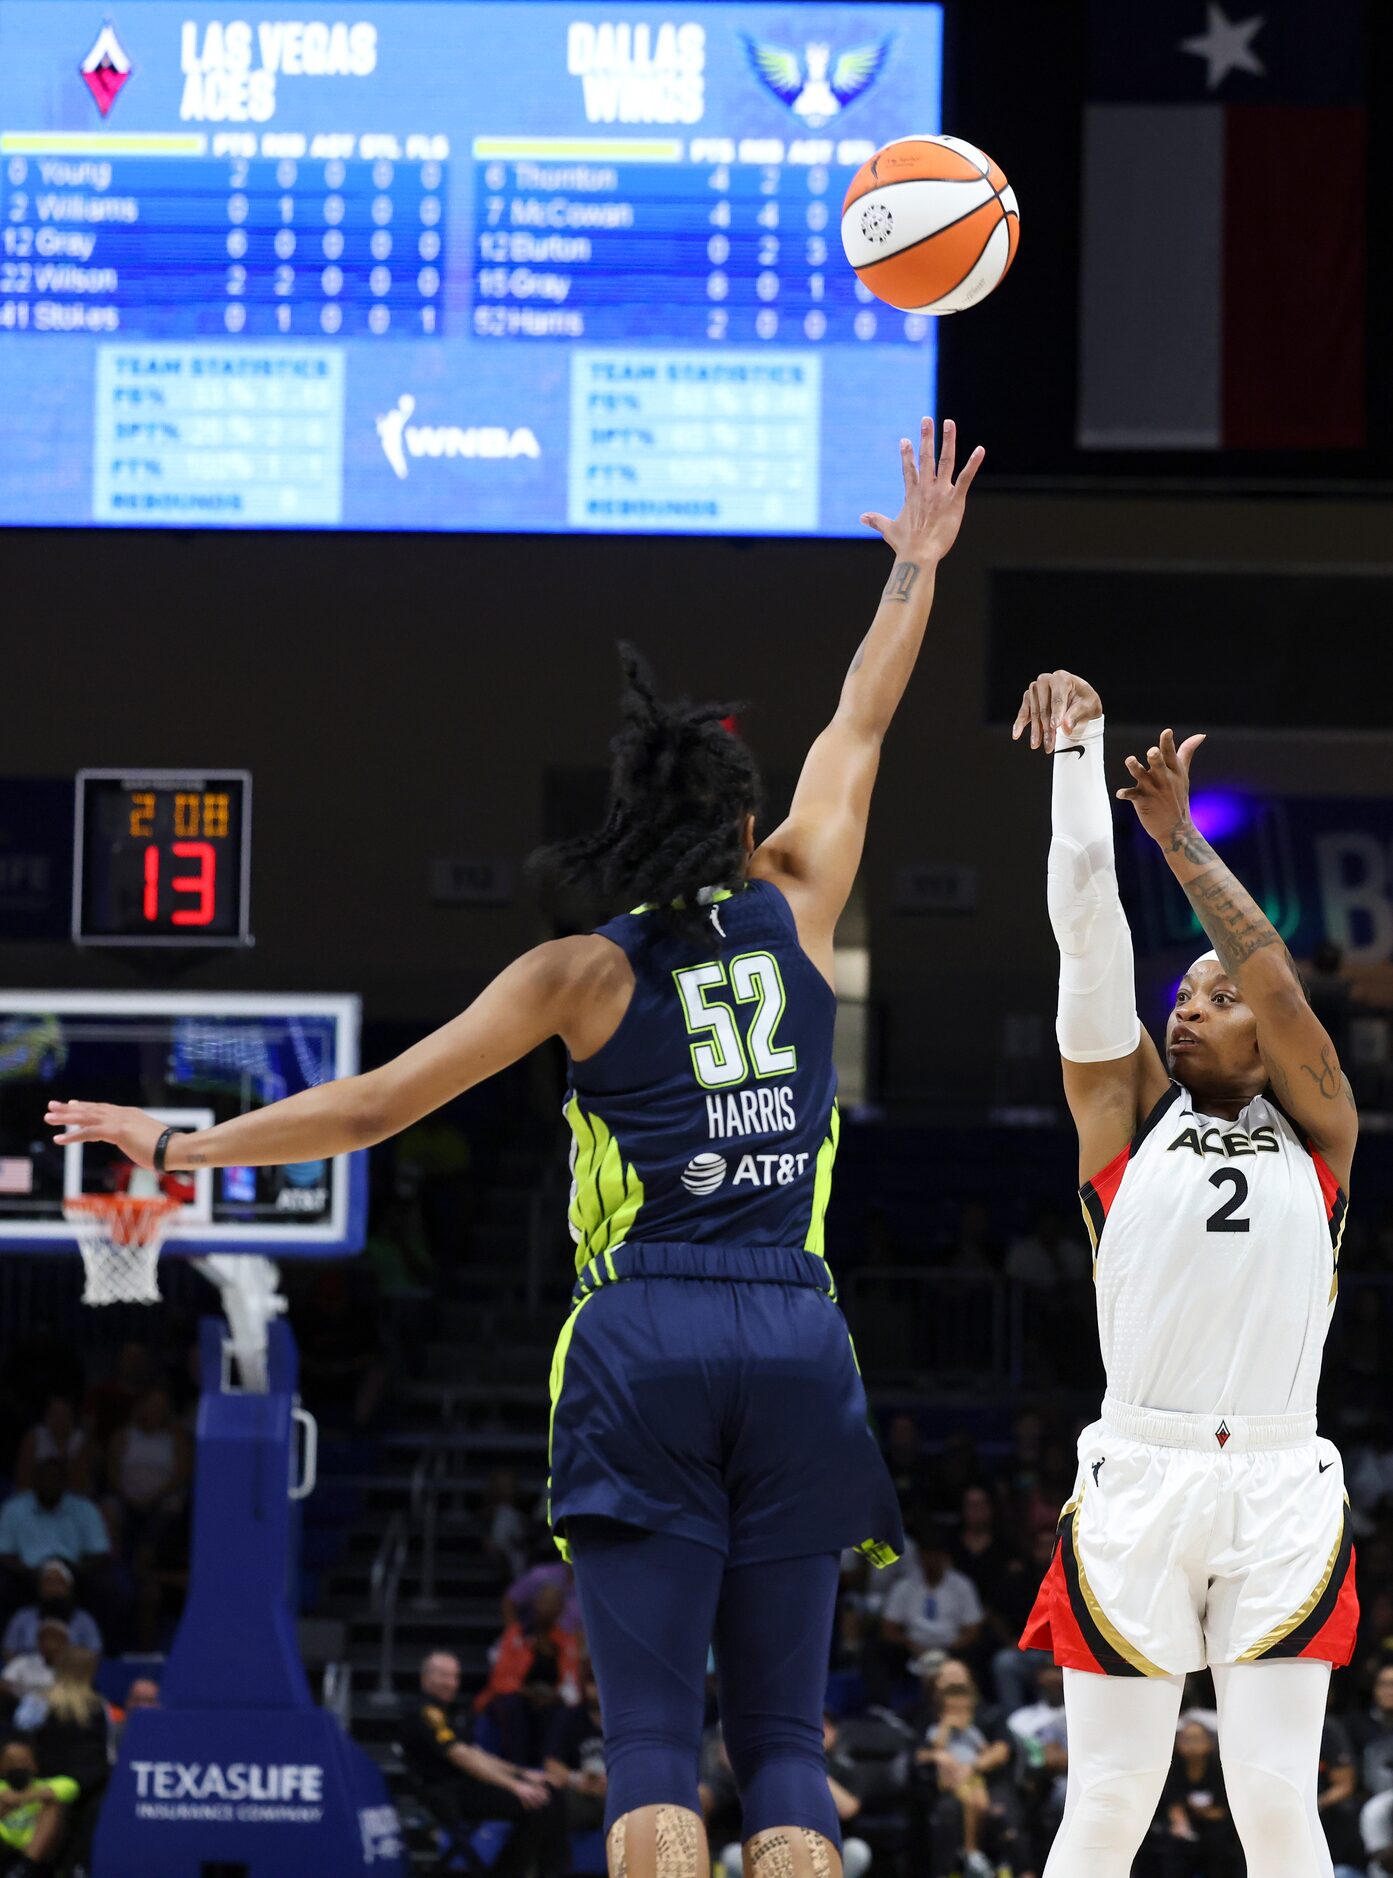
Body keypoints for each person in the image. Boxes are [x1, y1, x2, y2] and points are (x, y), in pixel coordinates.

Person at [45, 416, 986, 1878]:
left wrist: (182, 1139)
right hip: (797, 1324)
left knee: (656, 1742)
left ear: (629, 838)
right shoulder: (803, 897)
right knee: (789, 1742)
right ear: (745, 825)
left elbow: (365, 1109)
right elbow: (858, 721)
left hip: (643, 1327)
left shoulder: (578, 972)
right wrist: (916, 569)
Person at [1011, 670, 1360, 1878]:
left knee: (1276, 1804)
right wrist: (1079, 755)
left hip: (1276, 1470)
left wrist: (1180, 842)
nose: (1189, 1011)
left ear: (1268, 1036)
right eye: (1182, 999)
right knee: (1105, 1801)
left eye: (1214, 1000)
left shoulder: (1323, 1130)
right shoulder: (1118, 1119)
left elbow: (1270, 974)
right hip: (1140, 1465)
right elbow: (1085, 924)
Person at [399, 1650, 565, 1878]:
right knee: (540, 1803)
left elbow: (476, 1755)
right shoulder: (425, 1712)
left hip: (465, 1787)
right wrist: (514, 1786)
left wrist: (522, 1773)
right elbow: (461, 1756)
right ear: (425, 1677)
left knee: (549, 1793)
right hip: (447, 1795)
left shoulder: (446, 1712)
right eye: (443, 1676)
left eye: (454, 1677)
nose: (451, 1683)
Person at [912, 1660, 1017, 1878]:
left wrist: (973, 1766)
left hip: (986, 1779)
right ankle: (950, 1868)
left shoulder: (989, 1714)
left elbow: (999, 1749)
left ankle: (1003, 1866)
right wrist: (939, 1755)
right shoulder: (928, 1719)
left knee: (996, 1808)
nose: (953, 1683)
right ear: (936, 1686)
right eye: (946, 1678)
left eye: (958, 1676)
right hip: (941, 1783)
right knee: (948, 1811)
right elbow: (921, 1753)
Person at [474, 1581, 581, 1766]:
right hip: (517, 1697)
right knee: (514, 1706)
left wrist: (554, 1697)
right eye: (543, 1602)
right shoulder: (516, 1635)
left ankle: (548, 1767)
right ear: (535, 1603)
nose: (547, 1608)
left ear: (561, 1609)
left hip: (550, 1700)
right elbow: (500, 1680)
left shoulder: (566, 1641)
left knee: (564, 1713)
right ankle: (519, 1766)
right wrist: (530, 1693)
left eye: (553, 1603)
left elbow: (572, 1687)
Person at [882, 1525, 984, 1667]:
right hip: (911, 1648)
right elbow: (889, 1628)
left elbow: (973, 1629)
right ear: (919, 1555)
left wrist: (949, 1648)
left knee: (976, 1651)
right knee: (879, 1649)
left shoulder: (962, 1585)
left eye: (935, 1554)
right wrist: (909, 1644)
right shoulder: (904, 1586)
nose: (931, 1560)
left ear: (944, 1555)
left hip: (952, 1649)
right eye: (927, 1554)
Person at [1157, 1719, 1239, 1878]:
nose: (1191, 1745)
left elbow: (1225, 1808)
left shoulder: (1219, 1769)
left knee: (1218, 1841)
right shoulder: (1173, 1768)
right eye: (1186, 1739)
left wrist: (1204, 1813)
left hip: (1216, 1823)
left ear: (1209, 1743)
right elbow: (1173, 1803)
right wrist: (1181, 1822)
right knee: (1173, 1842)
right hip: (1187, 1823)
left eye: (1197, 1739)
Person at [0, 1738, 76, 1872]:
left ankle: (23, 1870)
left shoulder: (44, 1786)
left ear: (34, 1764)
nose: (18, 1767)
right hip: (4, 1847)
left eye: (23, 1761)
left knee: (53, 1805)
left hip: (35, 1850)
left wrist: (22, 1797)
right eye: (12, 1762)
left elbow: (71, 1787)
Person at [2, 1563, 101, 1663]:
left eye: (59, 1583)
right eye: (49, 1583)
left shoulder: (84, 1620)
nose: (54, 1589)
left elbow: (94, 1653)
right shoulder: (22, 1617)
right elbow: (8, 1650)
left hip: (68, 1674)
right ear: (40, 1588)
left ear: (69, 1588)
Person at [12, 1400, 90, 1500]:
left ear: (72, 1419)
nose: (59, 1420)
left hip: (70, 1500)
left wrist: (64, 1449)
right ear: (46, 1418)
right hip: (35, 1498)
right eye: (55, 1415)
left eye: (64, 1415)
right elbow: (23, 1481)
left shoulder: (80, 1441)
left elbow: (82, 1485)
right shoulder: (34, 1438)